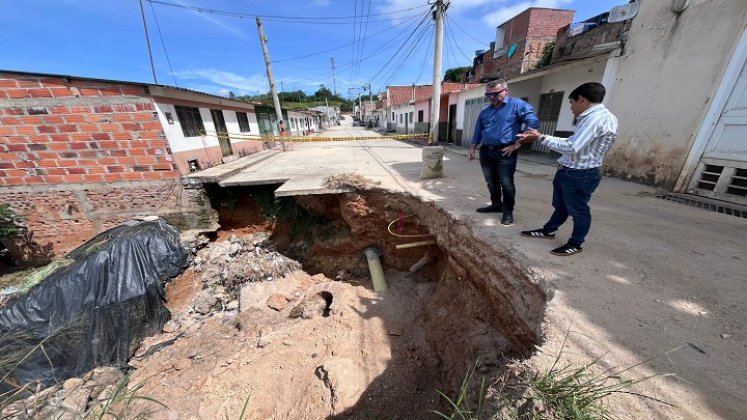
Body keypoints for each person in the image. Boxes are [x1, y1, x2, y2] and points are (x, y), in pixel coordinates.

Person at [515, 82, 618, 256]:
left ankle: (576, 243)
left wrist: (540, 137)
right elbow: (572, 142)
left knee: (579, 210)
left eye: (571, 102)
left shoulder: (596, 119)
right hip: (570, 170)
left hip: (581, 173)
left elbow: (572, 147)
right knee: (561, 206)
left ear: (582, 99)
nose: (570, 107)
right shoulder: (590, 118)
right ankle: (548, 230)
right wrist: (542, 136)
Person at [469, 79, 540, 226]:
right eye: (488, 95)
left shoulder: (518, 105)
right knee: (491, 181)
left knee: (506, 183)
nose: (492, 97)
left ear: (505, 91)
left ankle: (508, 211)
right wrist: (472, 148)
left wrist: (517, 144)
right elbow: (478, 130)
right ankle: (496, 205)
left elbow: (533, 123)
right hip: (486, 151)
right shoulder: (485, 112)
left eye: (495, 94)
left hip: (506, 151)